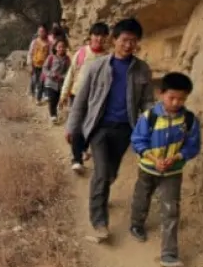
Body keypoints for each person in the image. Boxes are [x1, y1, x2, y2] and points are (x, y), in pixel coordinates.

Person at [66, 17, 154, 241]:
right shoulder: (98, 66)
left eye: (133, 41)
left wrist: (151, 122)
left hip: (125, 129)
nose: (128, 45)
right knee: (102, 172)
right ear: (114, 40)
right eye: (124, 40)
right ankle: (99, 222)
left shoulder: (142, 69)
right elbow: (82, 100)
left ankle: (102, 193)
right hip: (99, 127)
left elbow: (147, 101)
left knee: (111, 172)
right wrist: (73, 127)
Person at [129, 72, 201, 267]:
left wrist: (177, 157)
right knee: (142, 196)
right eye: (172, 97)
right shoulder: (149, 117)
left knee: (171, 209)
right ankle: (136, 224)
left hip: (172, 172)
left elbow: (193, 146)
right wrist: (154, 159)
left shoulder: (189, 120)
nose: (176, 102)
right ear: (161, 94)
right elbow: (137, 141)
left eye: (182, 98)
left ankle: (169, 254)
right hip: (147, 168)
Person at [59, 22, 110, 173]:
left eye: (102, 36)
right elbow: (71, 73)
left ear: (106, 38)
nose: (99, 39)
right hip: (77, 95)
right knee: (76, 127)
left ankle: (82, 149)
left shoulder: (107, 58)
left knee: (89, 126)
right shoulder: (81, 53)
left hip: (96, 99)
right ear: (91, 36)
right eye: (96, 35)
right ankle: (76, 159)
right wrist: (64, 94)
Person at [42, 39, 70, 124]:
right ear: (56, 48)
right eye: (59, 47)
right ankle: (53, 116)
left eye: (63, 47)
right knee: (52, 100)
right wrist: (51, 74)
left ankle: (56, 114)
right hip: (51, 83)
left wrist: (64, 76)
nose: (61, 48)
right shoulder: (51, 57)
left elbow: (69, 71)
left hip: (61, 84)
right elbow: (45, 68)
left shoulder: (67, 59)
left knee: (58, 99)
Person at [26, 25, 50, 103]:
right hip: (35, 64)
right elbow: (30, 53)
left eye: (42, 31)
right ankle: (31, 93)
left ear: (45, 32)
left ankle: (38, 98)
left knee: (41, 81)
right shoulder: (34, 42)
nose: (41, 33)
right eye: (39, 31)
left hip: (44, 66)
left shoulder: (48, 43)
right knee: (33, 80)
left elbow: (50, 54)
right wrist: (29, 64)